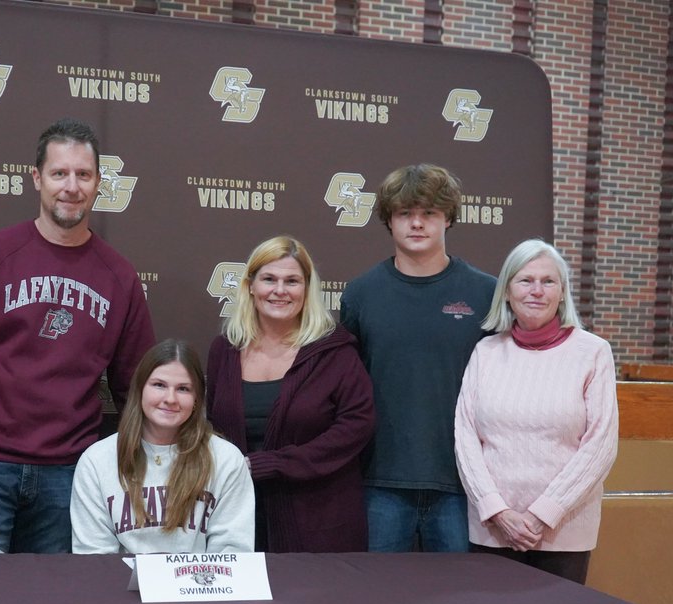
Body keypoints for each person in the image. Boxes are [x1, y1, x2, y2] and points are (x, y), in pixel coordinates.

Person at [0, 118, 155, 553]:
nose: (71, 186)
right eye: (59, 173)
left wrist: (154, 465)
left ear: (99, 183)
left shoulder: (119, 276)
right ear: (37, 177)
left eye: (83, 174)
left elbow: (138, 386)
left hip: (69, 472)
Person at [340, 163, 496, 553]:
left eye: (429, 213)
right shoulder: (361, 294)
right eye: (405, 213)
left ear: (448, 219)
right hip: (380, 481)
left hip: (464, 482)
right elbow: (345, 390)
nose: (417, 223)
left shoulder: (486, 293)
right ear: (389, 221)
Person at [454, 239, 618, 584]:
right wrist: (498, 511)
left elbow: (600, 445)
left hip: (564, 532)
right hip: (494, 530)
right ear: (508, 292)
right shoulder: (486, 351)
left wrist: (543, 514)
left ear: (562, 293)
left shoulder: (593, 353)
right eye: (525, 280)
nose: (537, 291)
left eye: (548, 281)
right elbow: (466, 436)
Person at [207, 235, 374, 552]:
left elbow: (356, 426)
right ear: (250, 286)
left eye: (292, 281)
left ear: (307, 289)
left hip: (320, 520)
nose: (280, 290)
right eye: (269, 279)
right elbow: (213, 423)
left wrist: (273, 464)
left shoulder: (335, 351)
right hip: (238, 520)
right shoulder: (225, 350)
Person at [71, 339, 254, 554]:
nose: (170, 399)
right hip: (119, 586)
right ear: (139, 390)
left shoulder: (226, 459)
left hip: (199, 585)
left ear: (197, 399)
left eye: (183, 389)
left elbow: (232, 554)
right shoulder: (96, 461)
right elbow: (94, 559)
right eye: (159, 385)